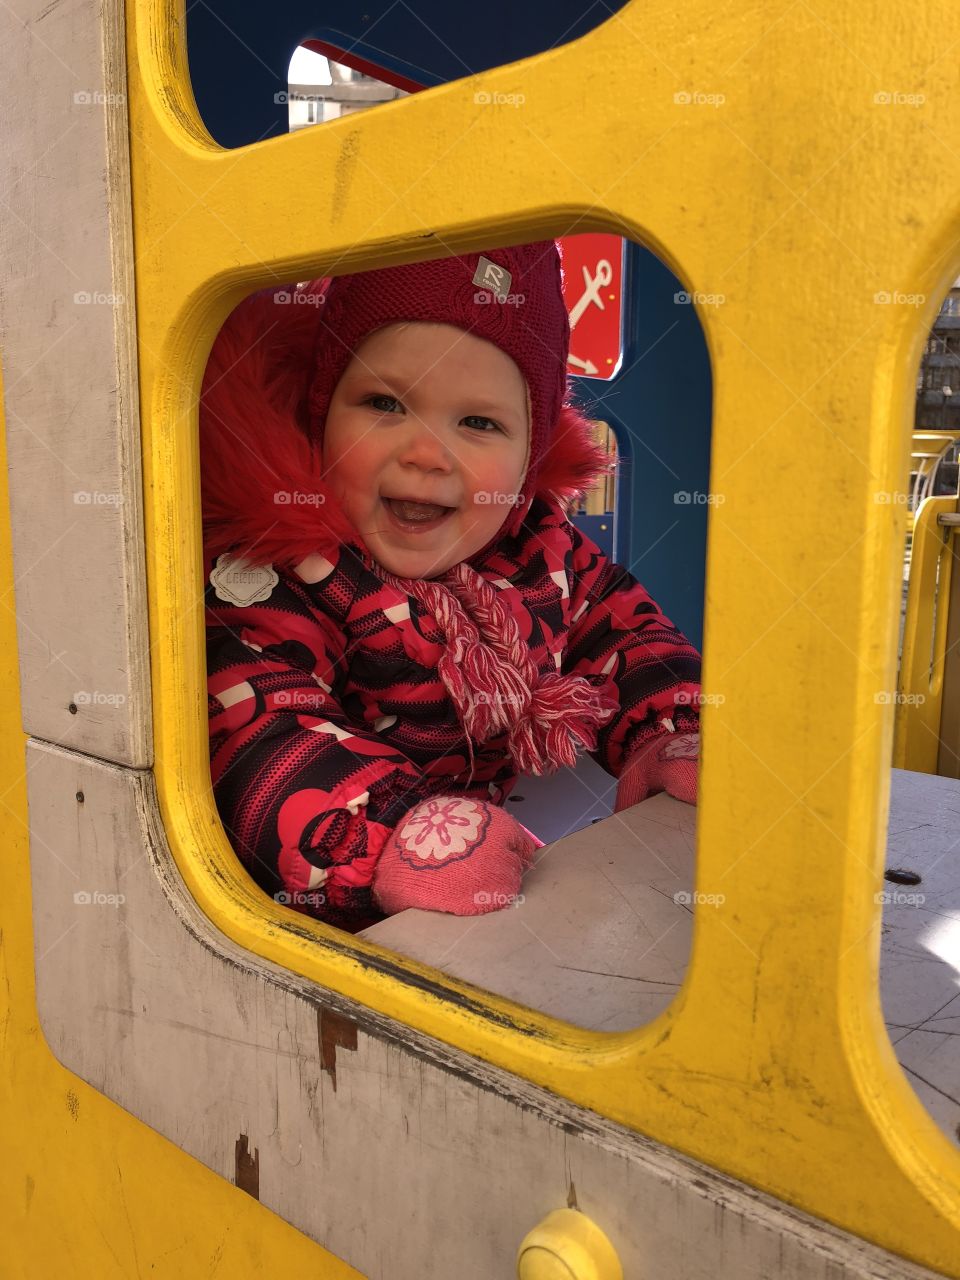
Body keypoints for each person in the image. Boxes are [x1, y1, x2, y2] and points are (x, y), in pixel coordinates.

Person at [202, 241, 701, 932]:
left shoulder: (535, 548)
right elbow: (260, 725)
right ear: (322, 419)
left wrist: (672, 730)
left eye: (479, 422)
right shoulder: (281, 571)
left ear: (532, 456)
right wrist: (388, 834)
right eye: (384, 402)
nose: (427, 454)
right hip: (320, 921)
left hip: (479, 886)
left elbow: (625, 632)